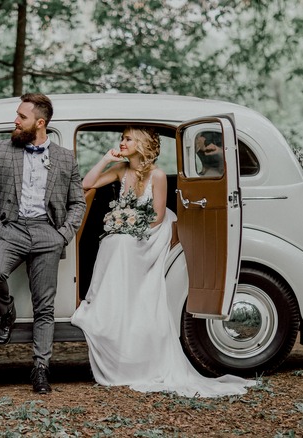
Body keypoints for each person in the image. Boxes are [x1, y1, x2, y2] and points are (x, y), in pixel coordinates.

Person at [71, 126, 255, 397]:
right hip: (130, 229)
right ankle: (108, 307)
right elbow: (87, 183)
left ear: (142, 144)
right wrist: (106, 159)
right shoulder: (121, 170)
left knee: (118, 242)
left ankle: (117, 298)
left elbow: (156, 216)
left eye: (128, 139)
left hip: (153, 231)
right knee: (111, 241)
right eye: (122, 138)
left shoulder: (157, 175)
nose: (122, 142)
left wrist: (128, 226)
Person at [0, 93, 86, 394]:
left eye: (21, 116)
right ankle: (6, 311)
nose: (15, 120)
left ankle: (40, 369)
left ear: (39, 123)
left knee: (44, 308)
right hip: (10, 229)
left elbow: (78, 202)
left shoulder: (65, 158)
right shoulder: (1, 150)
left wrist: (63, 234)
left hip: (47, 233)